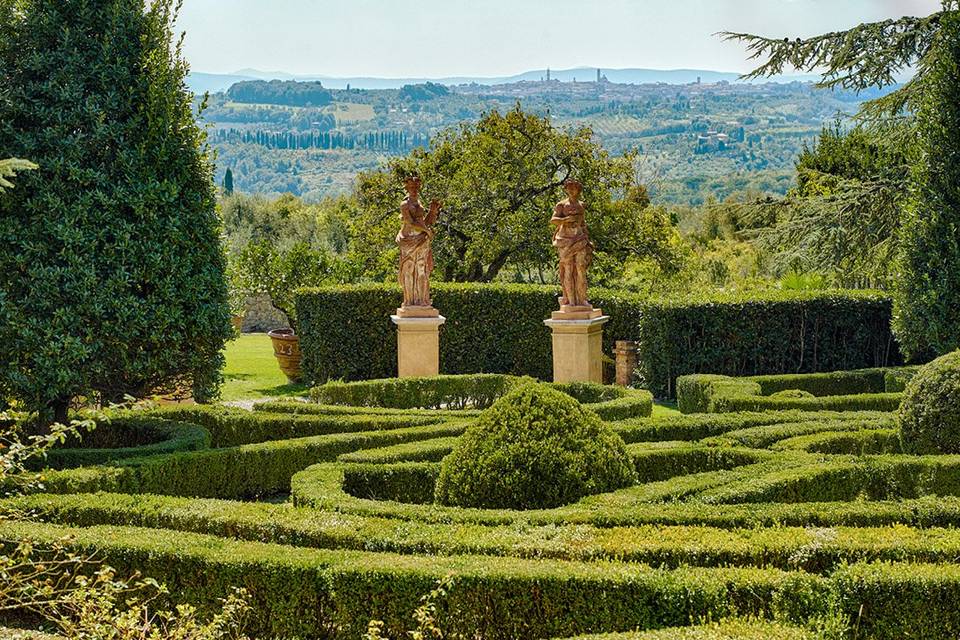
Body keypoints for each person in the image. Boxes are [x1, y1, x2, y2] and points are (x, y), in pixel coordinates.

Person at [396, 175, 440, 308]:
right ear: (407, 188)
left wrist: (432, 212)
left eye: (416, 187)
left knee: (422, 269)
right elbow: (411, 222)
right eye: (411, 187)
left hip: (422, 240)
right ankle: (409, 300)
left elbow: (424, 223)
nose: (414, 189)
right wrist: (427, 231)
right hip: (408, 239)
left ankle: (422, 300)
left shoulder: (420, 204)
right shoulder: (405, 204)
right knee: (408, 269)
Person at [550, 178, 593, 308]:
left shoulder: (582, 205)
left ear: (578, 190)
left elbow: (583, 224)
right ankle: (570, 300)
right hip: (565, 240)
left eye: (574, 188)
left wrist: (588, 239)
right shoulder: (561, 205)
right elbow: (553, 220)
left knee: (581, 268)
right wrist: (565, 220)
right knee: (568, 269)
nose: (572, 190)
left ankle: (582, 299)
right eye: (569, 188)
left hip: (579, 238)